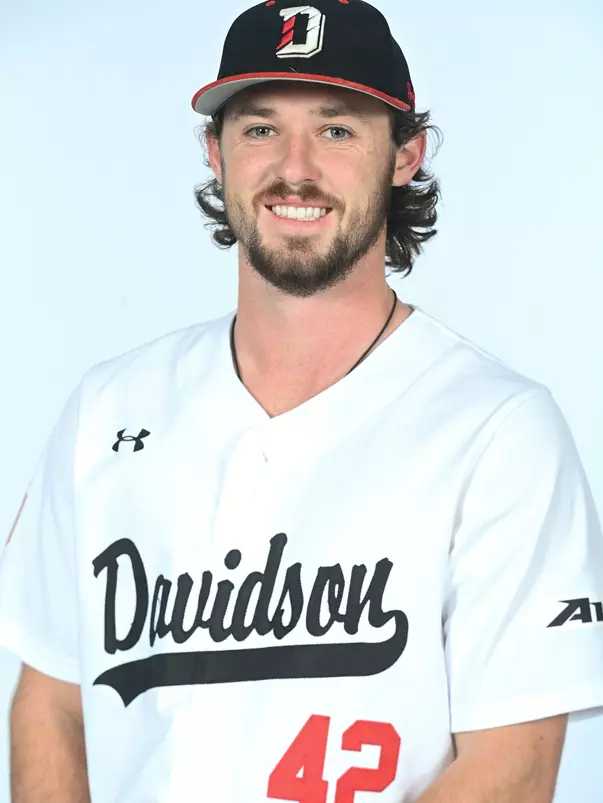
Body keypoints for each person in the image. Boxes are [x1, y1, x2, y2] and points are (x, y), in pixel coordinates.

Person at [1, 0, 602, 801]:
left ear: (404, 154)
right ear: (215, 153)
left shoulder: (497, 431)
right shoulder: (107, 407)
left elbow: (511, 766)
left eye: (336, 128)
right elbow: (52, 702)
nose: (294, 166)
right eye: (258, 128)